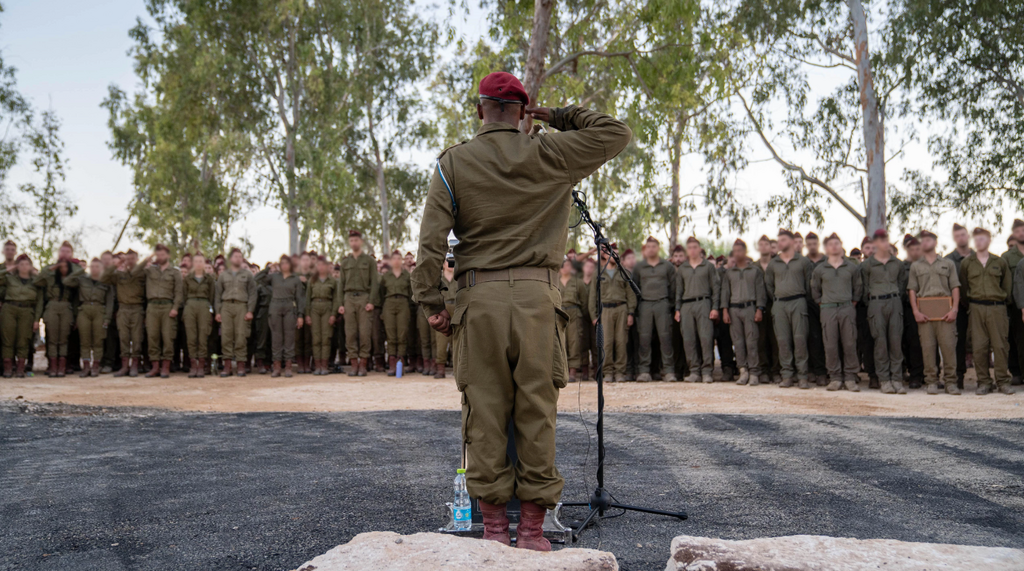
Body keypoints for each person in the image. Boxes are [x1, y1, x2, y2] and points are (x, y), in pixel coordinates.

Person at [411, 71, 631, 550]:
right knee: (537, 410)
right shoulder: (551, 152)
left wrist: (433, 304)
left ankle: (492, 531)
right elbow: (616, 133)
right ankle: (532, 531)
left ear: (479, 111)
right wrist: (556, 116)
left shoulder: (454, 163)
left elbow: (429, 247)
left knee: (485, 411)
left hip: (479, 302)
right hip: (538, 300)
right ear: (523, 112)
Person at [960, 228, 1014, 395]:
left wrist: (1002, 302)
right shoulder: (967, 264)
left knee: (1000, 346)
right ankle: (984, 382)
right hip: (976, 308)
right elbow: (964, 288)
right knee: (979, 347)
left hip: (997, 308)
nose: (979, 242)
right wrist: (971, 304)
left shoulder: (999, 262)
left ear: (989, 240)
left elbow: (1007, 286)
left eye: (982, 239)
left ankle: (1003, 382)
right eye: (976, 239)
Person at [909, 230, 961, 395]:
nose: (925, 243)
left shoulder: (948, 264)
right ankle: (931, 381)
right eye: (922, 240)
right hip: (925, 313)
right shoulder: (916, 266)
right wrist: (916, 311)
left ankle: (951, 382)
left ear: (935, 242)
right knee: (928, 348)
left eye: (928, 240)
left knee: (948, 347)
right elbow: (912, 290)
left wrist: (954, 309)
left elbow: (955, 287)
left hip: (945, 312)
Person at [811, 234, 862, 391]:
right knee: (830, 344)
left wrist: (851, 303)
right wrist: (824, 303)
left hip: (847, 307)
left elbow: (858, 288)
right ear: (826, 248)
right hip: (827, 308)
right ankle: (834, 377)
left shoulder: (851, 267)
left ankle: (850, 377)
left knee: (849, 343)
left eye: (836, 243)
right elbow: (815, 290)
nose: (834, 246)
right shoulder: (820, 269)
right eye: (830, 244)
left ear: (841, 245)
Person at [764, 230, 814, 388]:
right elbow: (769, 286)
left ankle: (802, 376)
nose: (780, 243)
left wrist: (799, 297)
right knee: (782, 340)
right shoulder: (774, 263)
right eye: (779, 240)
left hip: (798, 301)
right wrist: (779, 298)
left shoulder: (803, 261)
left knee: (800, 339)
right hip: (779, 304)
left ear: (792, 242)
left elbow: (809, 284)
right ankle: (787, 375)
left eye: (783, 240)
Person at [861, 230, 908, 394]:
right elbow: (864, 288)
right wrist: (872, 302)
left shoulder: (898, 263)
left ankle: (897, 379)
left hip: (894, 302)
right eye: (879, 240)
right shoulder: (866, 265)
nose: (883, 242)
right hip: (876, 303)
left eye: (885, 239)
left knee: (895, 342)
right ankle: (884, 380)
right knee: (880, 343)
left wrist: (895, 298)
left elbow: (902, 285)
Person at [674, 237, 720, 383]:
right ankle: (694, 371)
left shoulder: (708, 267)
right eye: (690, 248)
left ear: (700, 249)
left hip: (704, 303)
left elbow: (716, 289)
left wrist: (715, 307)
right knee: (688, 339)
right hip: (686, 306)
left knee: (706, 338)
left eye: (695, 247)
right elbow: (679, 290)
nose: (693, 250)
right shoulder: (683, 268)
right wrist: (677, 308)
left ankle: (707, 371)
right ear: (687, 250)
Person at [590, 243, 637, 383]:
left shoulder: (624, 272)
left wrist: (631, 313)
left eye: (616, 253)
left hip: (621, 309)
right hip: (605, 311)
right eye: (612, 253)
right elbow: (593, 296)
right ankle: (608, 372)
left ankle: (620, 372)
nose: (614, 255)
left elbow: (631, 295)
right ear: (605, 255)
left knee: (621, 341)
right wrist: (593, 316)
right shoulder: (598, 273)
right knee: (607, 342)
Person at [633, 236, 677, 382]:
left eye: (653, 246)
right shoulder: (639, 267)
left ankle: (668, 370)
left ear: (658, 248)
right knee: (644, 337)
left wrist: (669, 305)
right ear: (645, 249)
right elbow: (635, 287)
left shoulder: (667, 266)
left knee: (665, 337)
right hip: (645, 304)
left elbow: (673, 287)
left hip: (662, 303)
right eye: (648, 247)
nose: (651, 249)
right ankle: (644, 371)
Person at [135, 245, 184, 379]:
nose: (160, 257)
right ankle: (155, 367)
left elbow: (179, 292)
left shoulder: (175, 272)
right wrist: (148, 259)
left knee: (168, 337)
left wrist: (175, 308)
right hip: (152, 307)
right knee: (152, 336)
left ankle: (165, 367)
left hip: (167, 306)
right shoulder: (150, 270)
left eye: (162, 255)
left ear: (168, 255)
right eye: (158, 255)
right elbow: (135, 271)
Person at [721, 239, 764, 386]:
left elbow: (760, 291)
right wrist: (725, 310)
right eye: (735, 251)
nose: (737, 253)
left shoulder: (754, 271)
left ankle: (754, 372)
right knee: (737, 342)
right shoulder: (729, 273)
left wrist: (759, 309)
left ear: (745, 252)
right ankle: (743, 370)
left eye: (740, 250)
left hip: (750, 308)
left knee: (751, 341)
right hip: (734, 309)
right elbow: (725, 292)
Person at [338, 230, 381, 377]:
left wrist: (372, 301)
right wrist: (341, 303)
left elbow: (374, 282)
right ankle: (353, 365)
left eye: (356, 240)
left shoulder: (369, 261)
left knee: (364, 333)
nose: (354, 243)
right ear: (349, 243)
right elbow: (340, 284)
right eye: (351, 241)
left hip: (364, 298)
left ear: (361, 241)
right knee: (350, 333)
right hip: (349, 298)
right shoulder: (345, 262)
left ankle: (363, 365)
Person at [63, 258, 114, 377]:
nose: (94, 269)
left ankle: (95, 366)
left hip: (99, 310)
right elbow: (67, 281)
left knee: (98, 340)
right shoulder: (82, 279)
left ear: (102, 269)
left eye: (97, 267)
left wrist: (107, 319)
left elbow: (110, 301)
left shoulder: (106, 282)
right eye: (92, 266)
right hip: (84, 310)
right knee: (84, 340)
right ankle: (86, 366)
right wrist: (80, 270)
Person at [257, 256, 306, 377]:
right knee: (276, 337)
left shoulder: (295, 279)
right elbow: (257, 279)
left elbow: (300, 298)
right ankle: (277, 366)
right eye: (282, 263)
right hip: (275, 306)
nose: (284, 265)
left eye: (286, 263)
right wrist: (267, 269)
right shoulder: (274, 277)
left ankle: (288, 366)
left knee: (289, 337)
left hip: (290, 306)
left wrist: (300, 315)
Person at [33, 258, 82, 376]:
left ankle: (62, 367)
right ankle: (53, 366)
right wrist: (51, 269)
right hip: (52, 306)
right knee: (52, 338)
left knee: (64, 338)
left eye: (66, 267)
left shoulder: (72, 280)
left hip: (66, 307)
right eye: (61, 267)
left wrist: (75, 316)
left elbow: (76, 297)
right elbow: (36, 281)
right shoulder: (50, 278)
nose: (63, 269)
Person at [102, 250, 147, 377]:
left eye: (133, 258)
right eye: (128, 259)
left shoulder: (142, 274)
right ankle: (124, 366)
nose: (130, 261)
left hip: (137, 309)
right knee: (124, 338)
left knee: (137, 338)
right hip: (123, 309)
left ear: (137, 260)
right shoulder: (119, 275)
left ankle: (135, 366)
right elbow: (104, 277)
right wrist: (117, 264)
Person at [215, 248, 258, 377]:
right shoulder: (223, 275)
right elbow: (217, 295)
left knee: (241, 335)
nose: (238, 259)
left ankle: (240, 365)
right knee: (226, 336)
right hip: (226, 306)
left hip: (241, 306)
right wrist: (218, 311)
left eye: (240, 256)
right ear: (230, 259)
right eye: (236, 256)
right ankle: (227, 366)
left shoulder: (248, 274)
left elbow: (252, 294)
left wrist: (250, 310)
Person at [1, 254, 43, 378]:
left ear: (31, 266)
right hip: (9, 309)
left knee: (23, 340)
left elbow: (40, 301)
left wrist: (37, 320)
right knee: (7, 338)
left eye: (27, 264)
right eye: (21, 264)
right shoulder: (9, 278)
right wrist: (8, 270)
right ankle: (8, 368)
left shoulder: (36, 282)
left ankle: (20, 368)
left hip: (27, 311)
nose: (24, 267)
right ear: (17, 266)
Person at [945, 223, 973, 390]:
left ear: (967, 236)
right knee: (958, 341)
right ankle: (959, 376)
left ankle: (985, 379)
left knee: (981, 341)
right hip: (958, 307)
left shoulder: (979, 257)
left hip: (977, 304)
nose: (960, 238)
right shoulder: (949, 260)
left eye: (963, 234)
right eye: (957, 236)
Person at [305, 257, 341, 376]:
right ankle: (317, 365)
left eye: (323, 265)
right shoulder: (312, 280)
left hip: (327, 306)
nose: (321, 267)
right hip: (314, 307)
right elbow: (307, 299)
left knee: (326, 338)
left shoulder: (332, 281)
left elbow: (336, 299)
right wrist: (307, 314)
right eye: (319, 265)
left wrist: (333, 314)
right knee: (316, 338)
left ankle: (324, 366)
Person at [182, 253, 215, 378]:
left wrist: (209, 310)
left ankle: (201, 365)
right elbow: (184, 295)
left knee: (203, 335)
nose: (199, 264)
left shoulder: (209, 279)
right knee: (191, 336)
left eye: (201, 261)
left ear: (204, 263)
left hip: (204, 305)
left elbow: (211, 296)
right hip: (190, 305)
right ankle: (193, 365)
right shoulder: (188, 278)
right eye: (196, 261)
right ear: (193, 263)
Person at [380, 251, 412, 376]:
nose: (397, 261)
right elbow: (381, 292)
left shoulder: (407, 276)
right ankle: (392, 365)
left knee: (402, 334)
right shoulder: (386, 276)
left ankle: (400, 364)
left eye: (399, 258)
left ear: (402, 260)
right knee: (391, 334)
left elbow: (410, 293)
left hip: (403, 303)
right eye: (394, 258)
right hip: (389, 303)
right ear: (391, 261)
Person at [803, 232, 828, 385]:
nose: (812, 247)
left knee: (830, 338)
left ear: (818, 244)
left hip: (827, 303)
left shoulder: (826, 260)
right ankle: (816, 371)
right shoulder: (803, 261)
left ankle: (830, 370)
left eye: (814, 244)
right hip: (808, 303)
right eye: (809, 244)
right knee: (813, 338)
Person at [755, 235, 781, 384]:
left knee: (776, 339)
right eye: (761, 244)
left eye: (767, 244)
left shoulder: (778, 264)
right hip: (759, 307)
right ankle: (764, 370)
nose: (764, 247)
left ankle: (776, 371)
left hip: (775, 304)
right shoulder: (753, 266)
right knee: (761, 339)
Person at [557, 258, 587, 382]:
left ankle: (573, 371)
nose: (565, 267)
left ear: (571, 267)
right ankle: (561, 370)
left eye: (567, 265)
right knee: (560, 342)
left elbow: (584, 300)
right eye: (562, 265)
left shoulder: (578, 282)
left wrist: (582, 315)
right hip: (559, 312)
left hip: (574, 312)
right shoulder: (555, 281)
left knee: (574, 342)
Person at [901, 235, 926, 389]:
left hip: (927, 306)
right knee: (912, 342)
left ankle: (930, 375)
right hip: (908, 308)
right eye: (912, 249)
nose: (915, 252)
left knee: (929, 342)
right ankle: (915, 375)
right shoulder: (901, 266)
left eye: (918, 248)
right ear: (907, 250)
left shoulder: (927, 265)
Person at [1002, 219, 1024, 386]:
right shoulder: (1007, 257)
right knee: (1017, 340)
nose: (1021, 233)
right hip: (1015, 305)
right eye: (1018, 231)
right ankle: (1017, 372)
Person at [434, 261, 457, 379]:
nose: (451, 264)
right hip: (443, 308)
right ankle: (440, 368)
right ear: (443, 264)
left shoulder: (459, 278)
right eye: (449, 261)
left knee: (457, 339)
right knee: (441, 339)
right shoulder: (438, 279)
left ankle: (457, 368)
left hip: (457, 308)